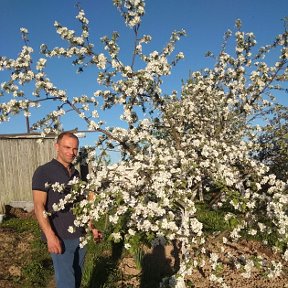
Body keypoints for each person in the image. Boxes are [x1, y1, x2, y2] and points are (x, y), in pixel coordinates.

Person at [32, 131, 102, 288]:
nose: (72, 152)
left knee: (77, 277)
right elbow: (39, 205)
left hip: (80, 235)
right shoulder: (44, 172)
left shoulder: (76, 174)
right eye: (67, 147)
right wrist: (50, 237)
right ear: (57, 147)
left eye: (75, 149)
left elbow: (82, 205)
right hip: (61, 236)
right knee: (66, 282)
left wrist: (91, 227)